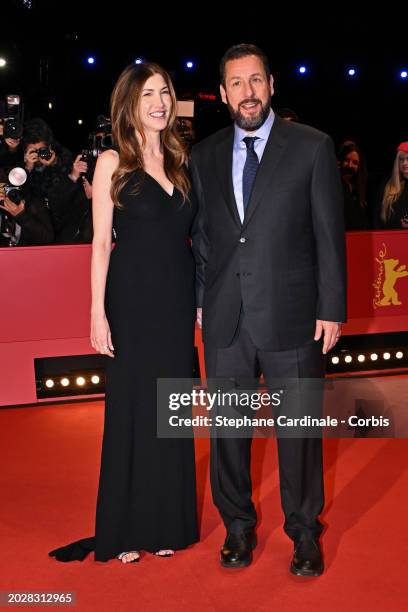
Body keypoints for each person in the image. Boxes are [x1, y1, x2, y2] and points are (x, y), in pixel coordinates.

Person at [190, 44, 346, 576]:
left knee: (299, 433)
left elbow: (329, 234)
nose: (247, 92)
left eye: (255, 80)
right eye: (236, 83)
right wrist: (201, 304)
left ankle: (304, 533)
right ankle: (237, 526)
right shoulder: (204, 154)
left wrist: (332, 306)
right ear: (224, 92)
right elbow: (207, 238)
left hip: (295, 315)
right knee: (227, 433)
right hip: (226, 318)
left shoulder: (311, 146)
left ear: (272, 84)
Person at [49, 62, 199, 563]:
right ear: (129, 104)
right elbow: (99, 244)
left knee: (169, 411)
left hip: (177, 303)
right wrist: (97, 312)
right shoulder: (113, 160)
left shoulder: (180, 160)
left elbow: (192, 241)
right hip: (131, 302)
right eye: (148, 95)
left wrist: (198, 300)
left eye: (164, 93)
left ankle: (166, 523)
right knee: (133, 410)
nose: (158, 103)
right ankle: (126, 526)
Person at [374, 142, 408, 229]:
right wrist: (399, 224)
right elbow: (378, 219)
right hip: (392, 237)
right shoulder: (387, 186)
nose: (404, 163)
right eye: (401, 159)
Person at [337, 141, 369, 230]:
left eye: (355, 163)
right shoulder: (333, 184)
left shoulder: (358, 188)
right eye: (347, 160)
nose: (350, 165)